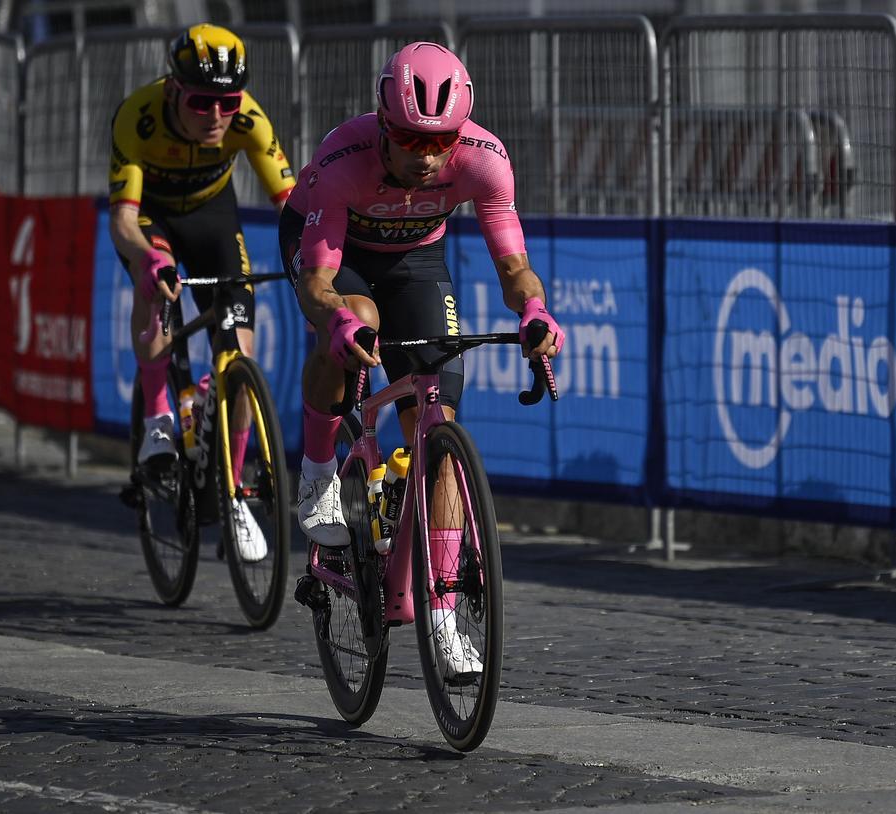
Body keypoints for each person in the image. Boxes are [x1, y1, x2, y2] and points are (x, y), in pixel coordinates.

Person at [278, 41, 564, 678]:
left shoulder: (485, 162)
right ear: (383, 124)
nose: (429, 156)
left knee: (436, 423)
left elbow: (514, 268)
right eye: (411, 140)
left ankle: (444, 616)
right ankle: (319, 470)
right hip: (333, 247)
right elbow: (318, 287)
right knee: (359, 324)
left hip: (415, 259)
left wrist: (535, 313)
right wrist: (340, 319)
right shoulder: (343, 159)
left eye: (442, 142)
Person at [108, 23, 295, 561]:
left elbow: (293, 208)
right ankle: (160, 417)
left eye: (227, 103)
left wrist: (317, 265)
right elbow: (122, 221)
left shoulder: (249, 119)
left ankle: (233, 491)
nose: (216, 116)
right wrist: (148, 260)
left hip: (213, 217)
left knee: (240, 353)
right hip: (151, 218)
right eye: (201, 102)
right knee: (158, 280)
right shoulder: (137, 117)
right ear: (173, 91)